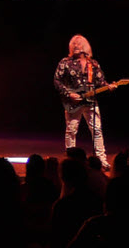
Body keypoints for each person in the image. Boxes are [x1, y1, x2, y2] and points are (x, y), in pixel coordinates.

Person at [53, 34, 115, 170]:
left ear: (85, 46)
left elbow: (100, 81)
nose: (76, 46)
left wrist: (108, 86)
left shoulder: (93, 64)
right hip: (73, 102)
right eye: (73, 44)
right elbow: (57, 81)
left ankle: (101, 160)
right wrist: (69, 94)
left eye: (79, 43)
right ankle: (70, 159)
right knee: (71, 130)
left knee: (97, 130)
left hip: (91, 101)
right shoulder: (65, 62)